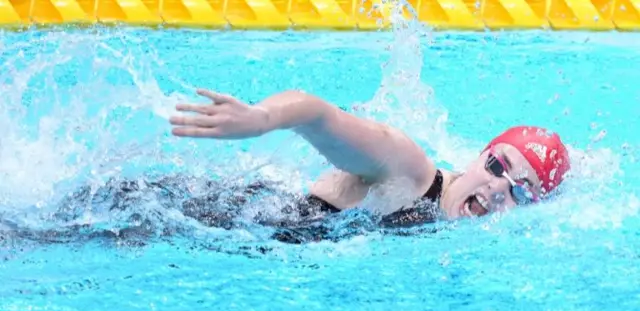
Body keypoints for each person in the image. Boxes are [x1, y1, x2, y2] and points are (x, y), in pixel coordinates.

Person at [168, 88, 572, 232]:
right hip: (197, 217)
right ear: (479, 156)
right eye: (498, 166)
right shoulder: (412, 173)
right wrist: (261, 119)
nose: (498, 188)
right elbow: (317, 113)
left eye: (521, 190)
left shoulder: (450, 227)